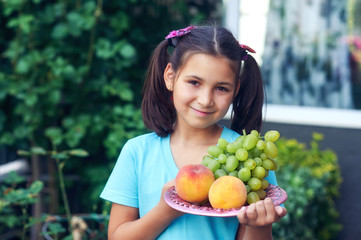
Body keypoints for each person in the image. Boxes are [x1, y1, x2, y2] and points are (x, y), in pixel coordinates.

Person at [100, 25, 287, 240]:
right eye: (194, 82)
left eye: (221, 88)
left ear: (235, 91)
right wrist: (167, 209)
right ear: (170, 77)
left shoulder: (250, 158)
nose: (205, 99)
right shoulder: (137, 153)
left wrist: (259, 227)